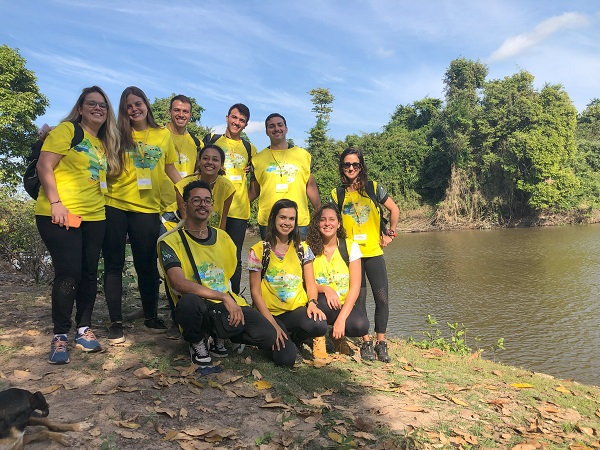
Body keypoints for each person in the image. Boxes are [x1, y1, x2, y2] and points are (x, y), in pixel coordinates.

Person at [158, 180, 295, 367]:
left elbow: (229, 275)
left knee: (270, 337)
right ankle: (198, 341)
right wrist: (222, 297)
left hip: (225, 304)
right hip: (200, 306)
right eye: (196, 200)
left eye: (207, 201)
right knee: (189, 303)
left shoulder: (223, 238)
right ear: (184, 204)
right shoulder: (170, 241)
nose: (202, 205)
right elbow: (178, 283)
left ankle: (219, 336)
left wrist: (230, 300)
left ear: (212, 206)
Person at [35, 86, 120, 364]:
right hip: (60, 213)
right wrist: (56, 202)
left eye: (103, 105)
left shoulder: (104, 143)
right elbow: (44, 166)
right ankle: (60, 335)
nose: (98, 108)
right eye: (92, 104)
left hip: (95, 216)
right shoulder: (67, 131)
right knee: (68, 273)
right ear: (81, 107)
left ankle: (84, 329)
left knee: (87, 274)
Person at [103, 86, 182, 344]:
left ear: (146, 104)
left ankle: (151, 316)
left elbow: (170, 169)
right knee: (114, 263)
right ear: (124, 110)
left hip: (148, 209)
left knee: (146, 264)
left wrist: (189, 193)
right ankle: (116, 321)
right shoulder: (116, 133)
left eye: (138, 103)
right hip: (115, 204)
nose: (134, 109)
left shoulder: (162, 135)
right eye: (128, 106)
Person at [331, 148, 399, 363]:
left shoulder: (373, 188)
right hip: (352, 255)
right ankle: (366, 341)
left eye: (355, 165)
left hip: (373, 252)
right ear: (342, 167)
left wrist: (391, 234)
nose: (351, 168)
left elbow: (394, 209)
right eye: (346, 165)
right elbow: (332, 222)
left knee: (382, 298)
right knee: (358, 300)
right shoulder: (337, 194)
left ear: (361, 167)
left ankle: (381, 342)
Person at [248, 199, 328, 362]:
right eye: (282, 217)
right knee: (286, 359)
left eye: (291, 219)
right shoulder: (259, 250)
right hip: (269, 313)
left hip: (294, 310)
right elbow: (255, 292)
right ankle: (274, 340)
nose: (287, 223)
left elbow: (311, 283)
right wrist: (273, 324)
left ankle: (294, 338)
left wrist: (312, 303)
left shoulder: (303, 249)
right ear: (273, 219)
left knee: (319, 324)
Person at [202, 104, 257, 294]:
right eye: (234, 118)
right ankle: (209, 294)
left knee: (234, 256)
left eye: (241, 120)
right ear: (227, 117)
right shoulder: (212, 140)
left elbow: (255, 185)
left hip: (239, 213)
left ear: (246, 124)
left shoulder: (250, 148)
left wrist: (243, 199)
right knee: (208, 252)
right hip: (213, 209)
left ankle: (233, 297)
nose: (237, 122)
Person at [305, 203, 369, 355]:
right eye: (323, 220)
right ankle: (318, 339)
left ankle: (337, 337)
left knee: (360, 325)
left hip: (342, 304)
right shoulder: (307, 247)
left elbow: (355, 287)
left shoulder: (350, 247)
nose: (327, 223)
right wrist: (325, 289)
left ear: (339, 223)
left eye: (332, 219)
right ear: (317, 223)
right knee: (321, 303)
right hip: (319, 301)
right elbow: (305, 282)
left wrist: (341, 320)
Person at [249, 114, 321, 240]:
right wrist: (232, 207)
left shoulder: (303, 155)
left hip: (299, 221)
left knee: (300, 258)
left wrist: (320, 212)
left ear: (286, 129)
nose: (276, 128)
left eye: (280, 125)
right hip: (269, 221)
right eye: (271, 126)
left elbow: (310, 186)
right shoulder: (257, 159)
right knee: (271, 259)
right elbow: (254, 191)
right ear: (266, 132)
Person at [159, 95, 200, 233]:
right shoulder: (158, 135)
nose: (181, 115)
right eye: (177, 110)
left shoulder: (197, 143)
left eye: (185, 111)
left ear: (190, 115)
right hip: (158, 209)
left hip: (186, 209)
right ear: (170, 111)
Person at [175, 144, 235, 230]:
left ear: (222, 165)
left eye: (215, 159)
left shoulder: (227, 187)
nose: (210, 162)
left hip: (210, 230)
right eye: (205, 158)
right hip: (179, 226)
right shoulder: (183, 185)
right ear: (199, 162)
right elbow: (186, 219)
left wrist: (220, 239)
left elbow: (223, 220)